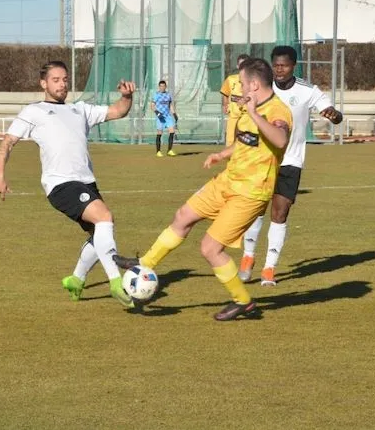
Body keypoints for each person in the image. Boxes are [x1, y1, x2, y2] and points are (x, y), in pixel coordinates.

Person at [114, 58, 293, 321]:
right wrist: (222, 154)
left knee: (210, 248)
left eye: (242, 84)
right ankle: (145, 265)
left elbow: (279, 138)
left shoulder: (278, 110)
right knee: (182, 216)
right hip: (227, 181)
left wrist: (254, 113)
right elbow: (248, 141)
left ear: (254, 85)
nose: (239, 88)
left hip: (250, 193)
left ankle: (243, 301)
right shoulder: (249, 106)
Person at [0, 60, 136, 308]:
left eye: (65, 79)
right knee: (104, 217)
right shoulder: (33, 111)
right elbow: (7, 142)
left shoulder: (80, 110)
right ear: (43, 83)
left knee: (98, 233)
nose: (62, 84)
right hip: (60, 185)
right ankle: (115, 281)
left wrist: (127, 97)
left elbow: (118, 111)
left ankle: (76, 280)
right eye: (56, 80)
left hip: (86, 182)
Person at [239, 45, 343, 286]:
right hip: (262, 158)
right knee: (255, 209)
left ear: (293, 66)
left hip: (291, 160)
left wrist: (333, 115)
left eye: (284, 65)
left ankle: (269, 268)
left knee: (280, 212)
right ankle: (247, 257)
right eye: (275, 65)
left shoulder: (307, 91)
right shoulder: (264, 86)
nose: (279, 70)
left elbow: (334, 113)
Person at [219, 53, 251, 146]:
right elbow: (225, 92)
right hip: (234, 114)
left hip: (248, 115)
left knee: (247, 139)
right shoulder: (230, 79)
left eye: (246, 64)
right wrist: (225, 104)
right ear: (237, 66)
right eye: (241, 64)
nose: (243, 67)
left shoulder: (253, 79)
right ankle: (230, 157)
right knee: (230, 138)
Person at [151, 80, 177, 157]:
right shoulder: (156, 95)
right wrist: (157, 113)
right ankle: (158, 151)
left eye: (163, 86)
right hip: (160, 116)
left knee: (172, 131)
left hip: (168, 116)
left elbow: (170, 105)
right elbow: (152, 106)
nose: (162, 87)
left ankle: (169, 150)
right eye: (161, 86)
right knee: (159, 133)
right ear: (159, 87)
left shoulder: (168, 95)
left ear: (165, 87)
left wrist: (174, 113)